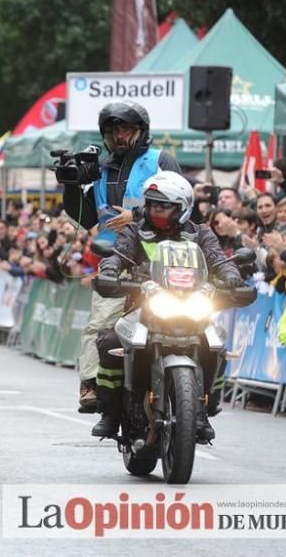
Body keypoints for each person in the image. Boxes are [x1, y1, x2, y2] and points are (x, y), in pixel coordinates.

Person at [91, 171, 243, 443]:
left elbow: (220, 261)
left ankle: (206, 406)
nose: (156, 210)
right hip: (144, 307)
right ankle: (111, 413)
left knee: (216, 340)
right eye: (152, 204)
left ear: (183, 208)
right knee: (109, 341)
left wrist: (232, 277)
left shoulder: (201, 234)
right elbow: (118, 255)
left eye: (164, 205)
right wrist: (110, 270)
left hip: (192, 305)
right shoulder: (134, 230)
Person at [60, 101, 183, 413]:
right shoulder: (98, 170)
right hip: (115, 261)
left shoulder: (160, 160)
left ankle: (198, 396)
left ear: (140, 131)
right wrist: (72, 185)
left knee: (196, 321)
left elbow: (185, 204)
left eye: (125, 129)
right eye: (112, 130)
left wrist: (138, 215)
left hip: (165, 259)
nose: (119, 136)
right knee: (101, 326)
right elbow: (83, 219)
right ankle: (91, 384)